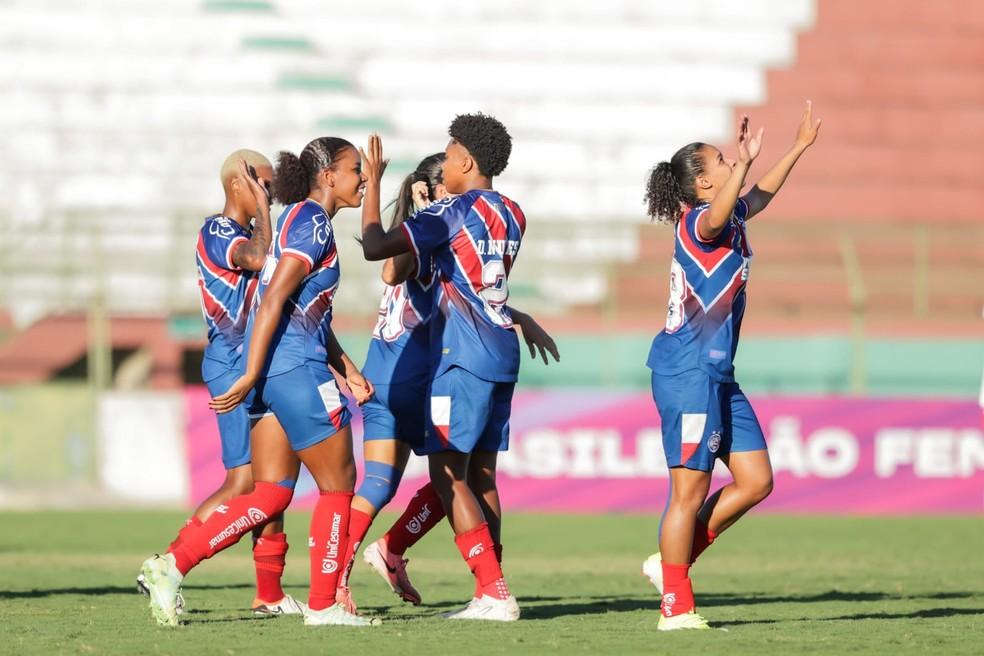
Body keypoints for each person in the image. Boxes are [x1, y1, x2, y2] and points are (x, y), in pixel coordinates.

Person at [140, 137, 376, 628]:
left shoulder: (291, 221)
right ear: (328, 176)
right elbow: (273, 301)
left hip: (272, 369)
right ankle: (324, 605)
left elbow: (298, 307)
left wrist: (346, 366)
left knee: (270, 492)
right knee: (338, 485)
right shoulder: (311, 222)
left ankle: (173, 564)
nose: (364, 178)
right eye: (357, 169)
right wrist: (249, 370)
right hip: (293, 369)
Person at [336, 153, 559, 613]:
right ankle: (479, 582)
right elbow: (393, 270)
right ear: (437, 189)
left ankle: (349, 575)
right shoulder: (440, 230)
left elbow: (473, 291)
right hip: (415, 376)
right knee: (456, 475)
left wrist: (518, 315)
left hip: (392, 371)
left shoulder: (440, 234)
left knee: (416, 479)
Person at [641, 102, 821, 631]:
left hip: (719, 375)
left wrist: (797, 147)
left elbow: (757, 196)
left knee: (757, 480)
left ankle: (669, 563)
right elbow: (720, 213)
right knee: (688, 492)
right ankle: (675, 606)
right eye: (720, 161)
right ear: (702, 184)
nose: (730, 163)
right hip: (687, 373)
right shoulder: (699, 222)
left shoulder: (730, 215)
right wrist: (743, 163)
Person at [137, 150, 304, 617]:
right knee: (243, 481)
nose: (270, 194)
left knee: (270, 483)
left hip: (256, 363)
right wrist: (266, 212)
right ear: (237, 185)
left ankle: (269, 593)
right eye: (263, 185)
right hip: (231, 365)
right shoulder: (219, 231)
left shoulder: (247, 231)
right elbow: (259, 258)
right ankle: (168, 564)